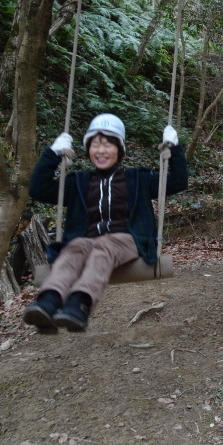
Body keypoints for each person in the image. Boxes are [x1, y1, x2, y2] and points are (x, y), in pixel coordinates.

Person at [23, 113, 188, 333]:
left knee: (104, 246)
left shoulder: (138, 179)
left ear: (119, 150)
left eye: (108, 145)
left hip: (128, 240)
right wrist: (52, 154)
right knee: (74, 248)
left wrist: (174, 148)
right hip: (86, 241)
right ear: (88, 149)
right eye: (95, 145)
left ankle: (80, 303)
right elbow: (38, 189)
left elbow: (177, 182)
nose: (101, 151)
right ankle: (49, 302)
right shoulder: (78, 182)